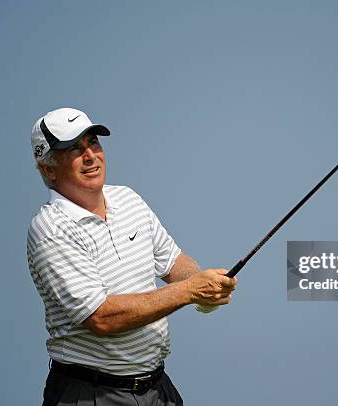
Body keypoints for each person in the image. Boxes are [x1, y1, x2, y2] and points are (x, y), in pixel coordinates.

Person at [27, 107, 237, 406]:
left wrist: (206, 287)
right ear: (48, 169)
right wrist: (190, 291)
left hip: (156, 386)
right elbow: (101, 317)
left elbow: (173, 262)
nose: (90, 156)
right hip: (91, 394)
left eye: (93, 143)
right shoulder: (50, 229)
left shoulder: (127, 198)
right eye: (74, 149)